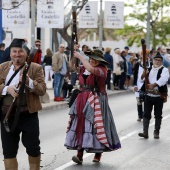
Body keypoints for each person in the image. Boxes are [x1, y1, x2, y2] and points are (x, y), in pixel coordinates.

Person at [65, 49, 121, 164]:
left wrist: (80, 56)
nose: (93, 61)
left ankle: (98, 154)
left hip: (97, 99)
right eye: (91, 59)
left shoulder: (102, 70)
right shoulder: (83, 68)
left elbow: (91, 69)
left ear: (100, 61)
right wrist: (73, 54)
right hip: (82, 98)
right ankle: (79, 154)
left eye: (96, 59)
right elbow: (72, 66)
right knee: (80, 124)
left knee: (96, 125)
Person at [0, 38, 46, 169]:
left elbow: (42, 90)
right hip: (7, 116)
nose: (17, 54)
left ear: (26, 53)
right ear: (10, 53)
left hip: (28, 115)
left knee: (33, 148)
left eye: (20, 51)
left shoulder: (35, 68)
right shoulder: (2, 68)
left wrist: (29, 82)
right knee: (8, 151)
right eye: (14, 51)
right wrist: (6, 88)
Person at [138, 52, 169, 139]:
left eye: (159, 60)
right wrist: (143, 75)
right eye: (156, 60)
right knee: (146, 114)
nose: (157, 62)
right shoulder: (148, 69)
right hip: (148, 96)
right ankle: (145, 132)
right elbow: (141, 81)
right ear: (153, 60)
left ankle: (156, 132)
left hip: (159, 96)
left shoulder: (164, 70)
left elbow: (163, 79)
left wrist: (154, 84)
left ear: (161, 61)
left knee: (158, 114)